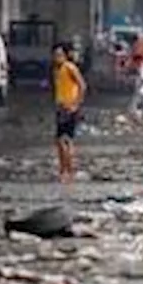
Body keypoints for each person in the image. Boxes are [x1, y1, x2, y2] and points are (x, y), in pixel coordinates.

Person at [52, 42, 86, 183]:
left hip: (69, 108)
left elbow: (82, 85)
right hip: (61, 107)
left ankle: (68, 172)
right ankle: (63, 170)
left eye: (60, 55)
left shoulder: (70, 68)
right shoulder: (57, 70)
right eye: (55, 55)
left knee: (65, 141)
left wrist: (76, 104)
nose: (56, 57)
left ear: (66, 55)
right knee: (60, 141)